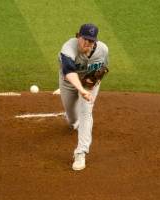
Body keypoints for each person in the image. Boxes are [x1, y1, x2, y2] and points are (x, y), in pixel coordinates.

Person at [58, 23, 109, 171]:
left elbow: (103, 68)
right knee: (72, 119)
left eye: (91, 41)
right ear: (78, 36)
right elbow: (69, 72)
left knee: (86, 111)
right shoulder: (68, 48)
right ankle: (73, 120)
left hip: (88, 84)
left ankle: (81, 153)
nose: (87, 43)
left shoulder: (102, 50)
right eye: (84, 39)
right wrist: (80, 89)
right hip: (69, 80)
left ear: (95, 41)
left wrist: (91, 84)